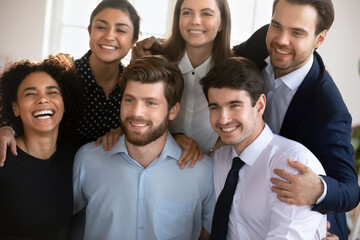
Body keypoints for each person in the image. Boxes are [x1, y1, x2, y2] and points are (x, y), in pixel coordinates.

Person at [0, 0, 199, 168]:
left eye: (121, 30)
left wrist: (177, 137)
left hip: (109, 178)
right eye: (101, 27)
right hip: (55, 174)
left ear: (133, 40)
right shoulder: (61, 77)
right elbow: (28, 111)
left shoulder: (134, 85)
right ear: (90, 31)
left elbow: (150, 124)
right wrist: (7, 128)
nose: (109, 36)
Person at [232, 0, 360, 239]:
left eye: (297, 33)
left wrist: (320, 189)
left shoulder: (329, 110)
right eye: (277, 26)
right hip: (248, 199)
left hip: (303, 221)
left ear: (319, 39)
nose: (281, 39)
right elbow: (228, 56)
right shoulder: (263, 41)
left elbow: (350, 190)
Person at [72, 55, 215, 239]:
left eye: (151, 103)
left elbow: (208, 232)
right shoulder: (87, 158)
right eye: (129, 100)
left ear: (172, 110)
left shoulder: (203, 172)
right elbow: (66, 223)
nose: (137, 112)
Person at [201, 56, 327, 239]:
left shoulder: (292, 164)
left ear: (259, 106)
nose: (223, 119)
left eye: (234, 105)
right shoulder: (220, 159)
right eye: (215, 107)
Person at [132, 0, 232, 164]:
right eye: (186, 12)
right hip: (156, 161)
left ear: (222, 23)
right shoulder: (154, 60)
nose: (195, 20)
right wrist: (174, 138)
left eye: (206, 13)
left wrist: (214, 151)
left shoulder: (233, 71)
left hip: (212, 166)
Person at [0, 53, 81, 239]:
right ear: (15, 108)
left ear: (65, 103)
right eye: (30, 93)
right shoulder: (2, 157)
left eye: (52, 92)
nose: (42, 99)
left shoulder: (77, 152)